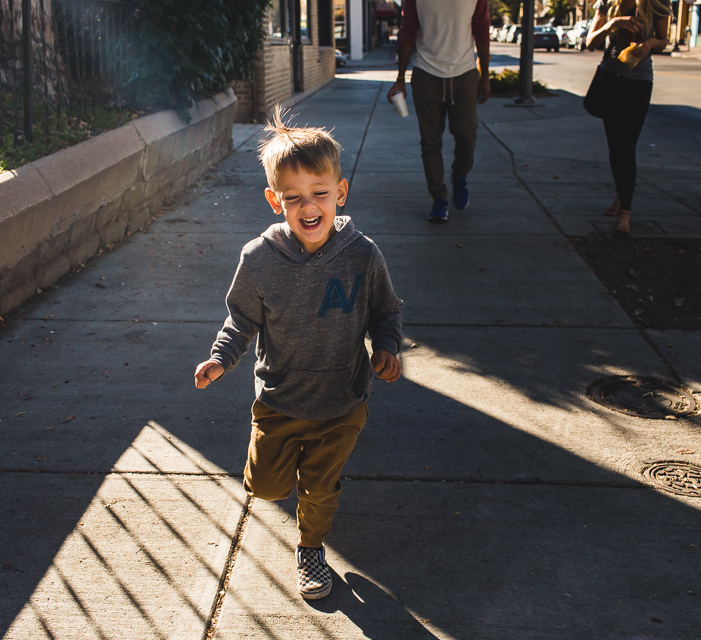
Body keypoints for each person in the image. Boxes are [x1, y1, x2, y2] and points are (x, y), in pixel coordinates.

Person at [193, 110, 404, 600]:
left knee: (320, 486)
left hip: (343, 401)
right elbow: (241, 320)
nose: (309, 207)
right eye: (294, 198)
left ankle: (311, 547)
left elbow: (385, 311)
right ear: (274, 200)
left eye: (320, 194)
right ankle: (276, 481)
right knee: (266, 487)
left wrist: (387, 347)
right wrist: (221, 358)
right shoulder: (259, 259)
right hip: (280, 399)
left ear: (341, 193)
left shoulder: (362, 255)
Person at [386, 0, 492, 223]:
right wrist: (400, 78)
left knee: (466, 134)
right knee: (430, 141)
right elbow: (408, 30)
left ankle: (460, 174)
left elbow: (481, 28)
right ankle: (439, 198)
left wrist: (485, 76)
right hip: (426, 73)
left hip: (464, 72)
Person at [586, 0, 670, 236]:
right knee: (615, 146)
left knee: (626, 145)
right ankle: (622, 196)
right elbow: (590, 43)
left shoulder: (657, 3)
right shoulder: (607, 4)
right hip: (610, 80)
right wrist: (613, 23)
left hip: (639, 83)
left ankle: (625, 214)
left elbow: (664, 41)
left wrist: (652, 42)